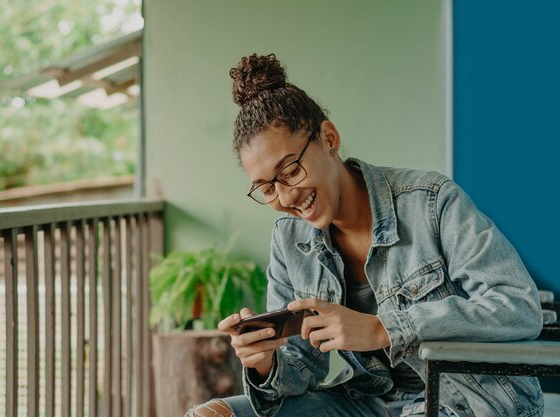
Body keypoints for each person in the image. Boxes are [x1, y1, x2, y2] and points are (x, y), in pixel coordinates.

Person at [186, 54, 544, 417]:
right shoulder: (289, 240)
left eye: (290, 171)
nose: (286, 196)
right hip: (367, 404)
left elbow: (518, 306)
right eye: (266, 189)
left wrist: (382, 329)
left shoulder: (431, 201)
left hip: (467, 404)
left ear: (329, 138)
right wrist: (265, 362)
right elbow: (301, 368)